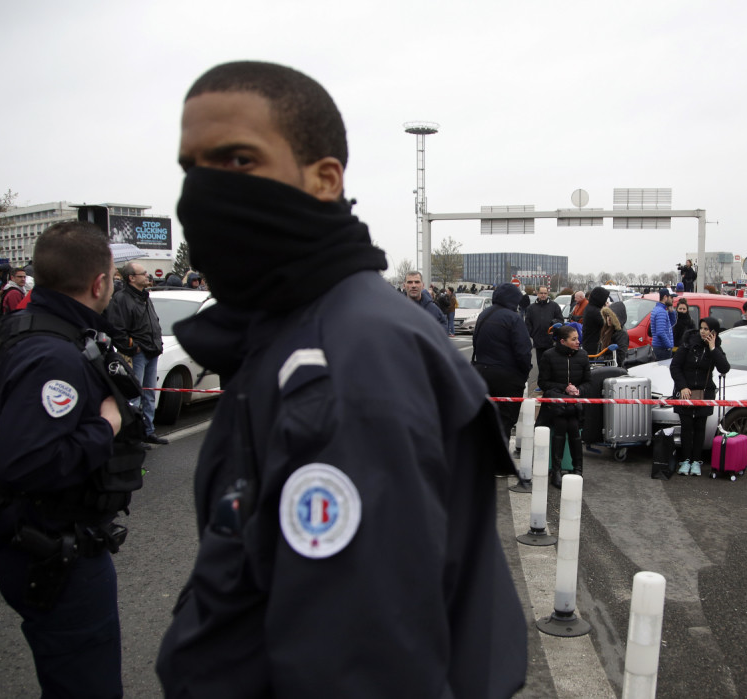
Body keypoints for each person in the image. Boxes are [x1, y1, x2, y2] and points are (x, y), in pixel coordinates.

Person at [156, 60, 526, 697]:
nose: (204, 192)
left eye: (238, 161)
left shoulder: (346, 363)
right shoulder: (298, 329)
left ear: (325, 179)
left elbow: (362, 671)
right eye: (193, 168)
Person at [0, 221, 146, 698]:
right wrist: (106, 426)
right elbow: (27, 462)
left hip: (47, 540)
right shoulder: (54, 356)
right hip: (52, 547)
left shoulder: (44, 333)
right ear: (100, 283)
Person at [105, 261, 168, 445]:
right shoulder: (122, 299)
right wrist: (133, 347)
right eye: (143, 273)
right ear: (131, 278)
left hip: (152, 351)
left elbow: (151, 321)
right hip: (137, 354)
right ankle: (133, 435)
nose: (148, 276)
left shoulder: (144, 296)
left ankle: (148, 431)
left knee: (149, 394)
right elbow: (117, 329)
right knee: (134, 394)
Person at [471, 283, 532, 441]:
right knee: (505, 421)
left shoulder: (484, 314)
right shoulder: (514, 318)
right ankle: (498, 462)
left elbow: (476, 342)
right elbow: (523, 351)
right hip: (507, 377)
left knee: (484, 420)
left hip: (481, 372)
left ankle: (480, 461)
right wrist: (524, 374)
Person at [670, 317, 730, 477]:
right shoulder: (688, 342)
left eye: (706, 329)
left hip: (704, 393)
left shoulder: (715, 347)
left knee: (699, 428)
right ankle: (685, 460)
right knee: (686, 427)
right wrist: (683, 386)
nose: (703, 331)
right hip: (685, 392)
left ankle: (696, 461)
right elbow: (675, 366)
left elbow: (724, 368)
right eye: (701, 328)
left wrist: (712, 348)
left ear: (714, 332)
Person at [537, 324, 591, 488]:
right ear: (562, 341)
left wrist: (578, 390)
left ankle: (577, 469)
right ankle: (558, 470)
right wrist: (564, 388)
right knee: (561, 423)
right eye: (573, 339)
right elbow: (543, 383)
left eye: (578, 338)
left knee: (573, 425)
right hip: (555, 404)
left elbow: (588, 382)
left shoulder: (582, 355)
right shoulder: (548, 355)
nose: (578, 342)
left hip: (574, 404)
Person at [525, 285, 564, 371]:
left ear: (548, 293)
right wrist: (533, 334)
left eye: (545, 293)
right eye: (541, 293)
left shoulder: (554, 306)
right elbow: (527, 324)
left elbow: (561, 321)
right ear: (537, 293)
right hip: (538, 342)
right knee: (541, 365)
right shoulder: (531, 308)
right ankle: (541, 382)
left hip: (551, 341)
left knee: (552, 365)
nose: (543, 295)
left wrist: (554, 326)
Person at [581, 286, 611, 355]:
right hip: (593, 345)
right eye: (604, 299)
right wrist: (607, 309)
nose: (605, 301)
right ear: (599, 299)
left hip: (589, 343)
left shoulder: (590, 307)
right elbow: (607, 324)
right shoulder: (595, 311)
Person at [649, 288, 677, 360]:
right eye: (671, 297)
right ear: (665, 297)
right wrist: (669, 346)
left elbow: (671, 325)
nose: (672, 300)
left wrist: (672, 312)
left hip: (660, 348)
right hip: (662, 349)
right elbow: (660, 332)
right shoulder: (661, 312)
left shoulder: (660, 309)